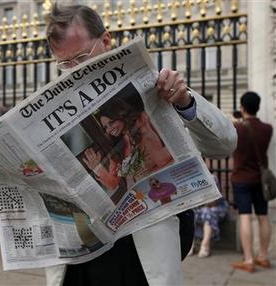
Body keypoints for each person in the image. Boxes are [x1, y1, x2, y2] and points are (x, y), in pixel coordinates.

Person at [44, 4, 237, 286]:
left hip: (139, 256)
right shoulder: (50, 107)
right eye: (64, 64)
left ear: (106, 41)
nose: (75, 70)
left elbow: (225, 143)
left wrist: (185, 103)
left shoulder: (153, 85)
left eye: (81, 57)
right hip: (78, 260)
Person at [231, 91, 273, 273]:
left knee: (245, 216)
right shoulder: (267, 128)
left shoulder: (237, 128)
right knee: (263, 216)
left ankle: (248, 259)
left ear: (242, 107)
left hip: (241, 178)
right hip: (260, 180)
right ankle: (263, 257)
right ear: (258, 107)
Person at [189, 175, 229, 258]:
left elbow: (213, 201)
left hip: (213, 207)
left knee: (207, 212)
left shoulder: (212, 178)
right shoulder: (189, 179)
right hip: (198, 208)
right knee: (190, 213)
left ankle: (205, 244)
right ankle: (190, 244)